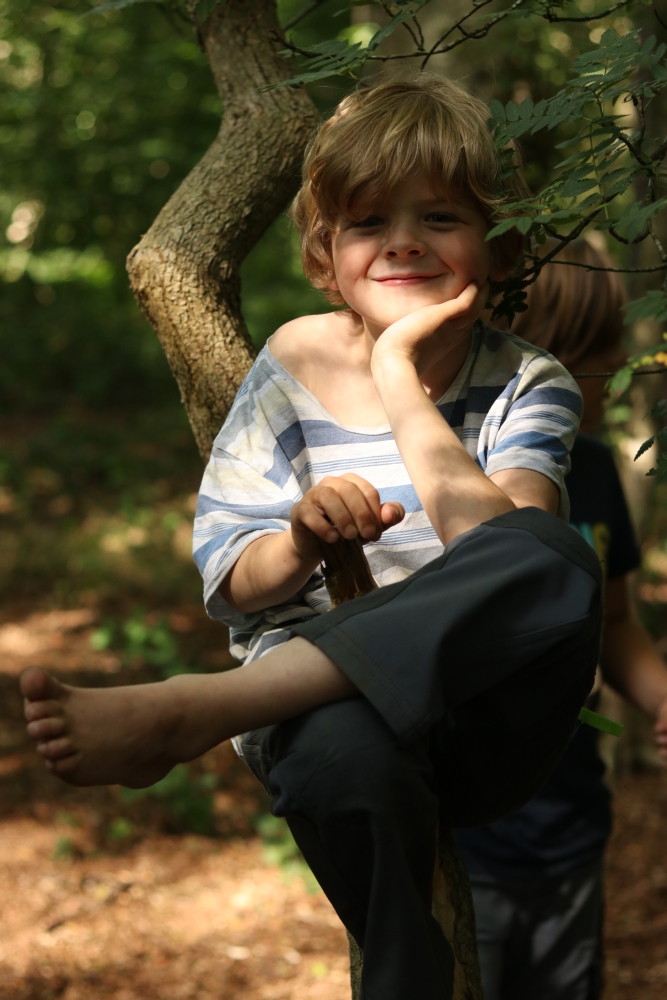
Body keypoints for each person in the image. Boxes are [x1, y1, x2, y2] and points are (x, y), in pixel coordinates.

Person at [20, 80, 602, 1000]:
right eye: (369, 220)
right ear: (325, 256)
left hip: (482, 721)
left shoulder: (530, 380)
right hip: (332, 728)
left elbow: (513, 557)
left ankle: (198, 709)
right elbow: (238, 579)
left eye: (440, 215)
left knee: (553, 553)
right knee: (342, 755)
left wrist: (395, 375)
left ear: (497, 247)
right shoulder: (291, 359)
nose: (403, 240)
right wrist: (296, 536)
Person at [455, 238, 667, 1000]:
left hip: (571, 831)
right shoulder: (455, 475)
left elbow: (612, 624)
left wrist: (658, 695)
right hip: (461, 839)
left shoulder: (600, 473)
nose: (616, 359)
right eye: (593, 345)